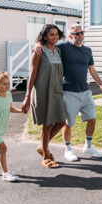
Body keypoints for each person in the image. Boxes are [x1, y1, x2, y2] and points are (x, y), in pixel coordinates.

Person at [34, 24, 102, 162]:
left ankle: (88, 146)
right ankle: (68, 149)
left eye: (82, 33)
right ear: (70, 36)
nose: (80, 36)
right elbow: (48, 42)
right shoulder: (63, 48)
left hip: (85, 91)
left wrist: (101, 85)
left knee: (92, 119)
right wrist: (38, 43)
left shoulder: (87, 50)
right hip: (69, 92)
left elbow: (91, 69)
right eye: (76, 34)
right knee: (68, 123)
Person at [22, 24, 67, 168]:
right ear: (44, 36)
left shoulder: (59, 50)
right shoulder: (39, 51)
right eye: (51, 35)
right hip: (43, 91)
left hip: (56, 91)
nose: (54, 37)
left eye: (56, 34)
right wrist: (27, 97)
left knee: (61, 122)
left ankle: (42, 146)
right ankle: (46, 157)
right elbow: (33, 74)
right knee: (47, 125)